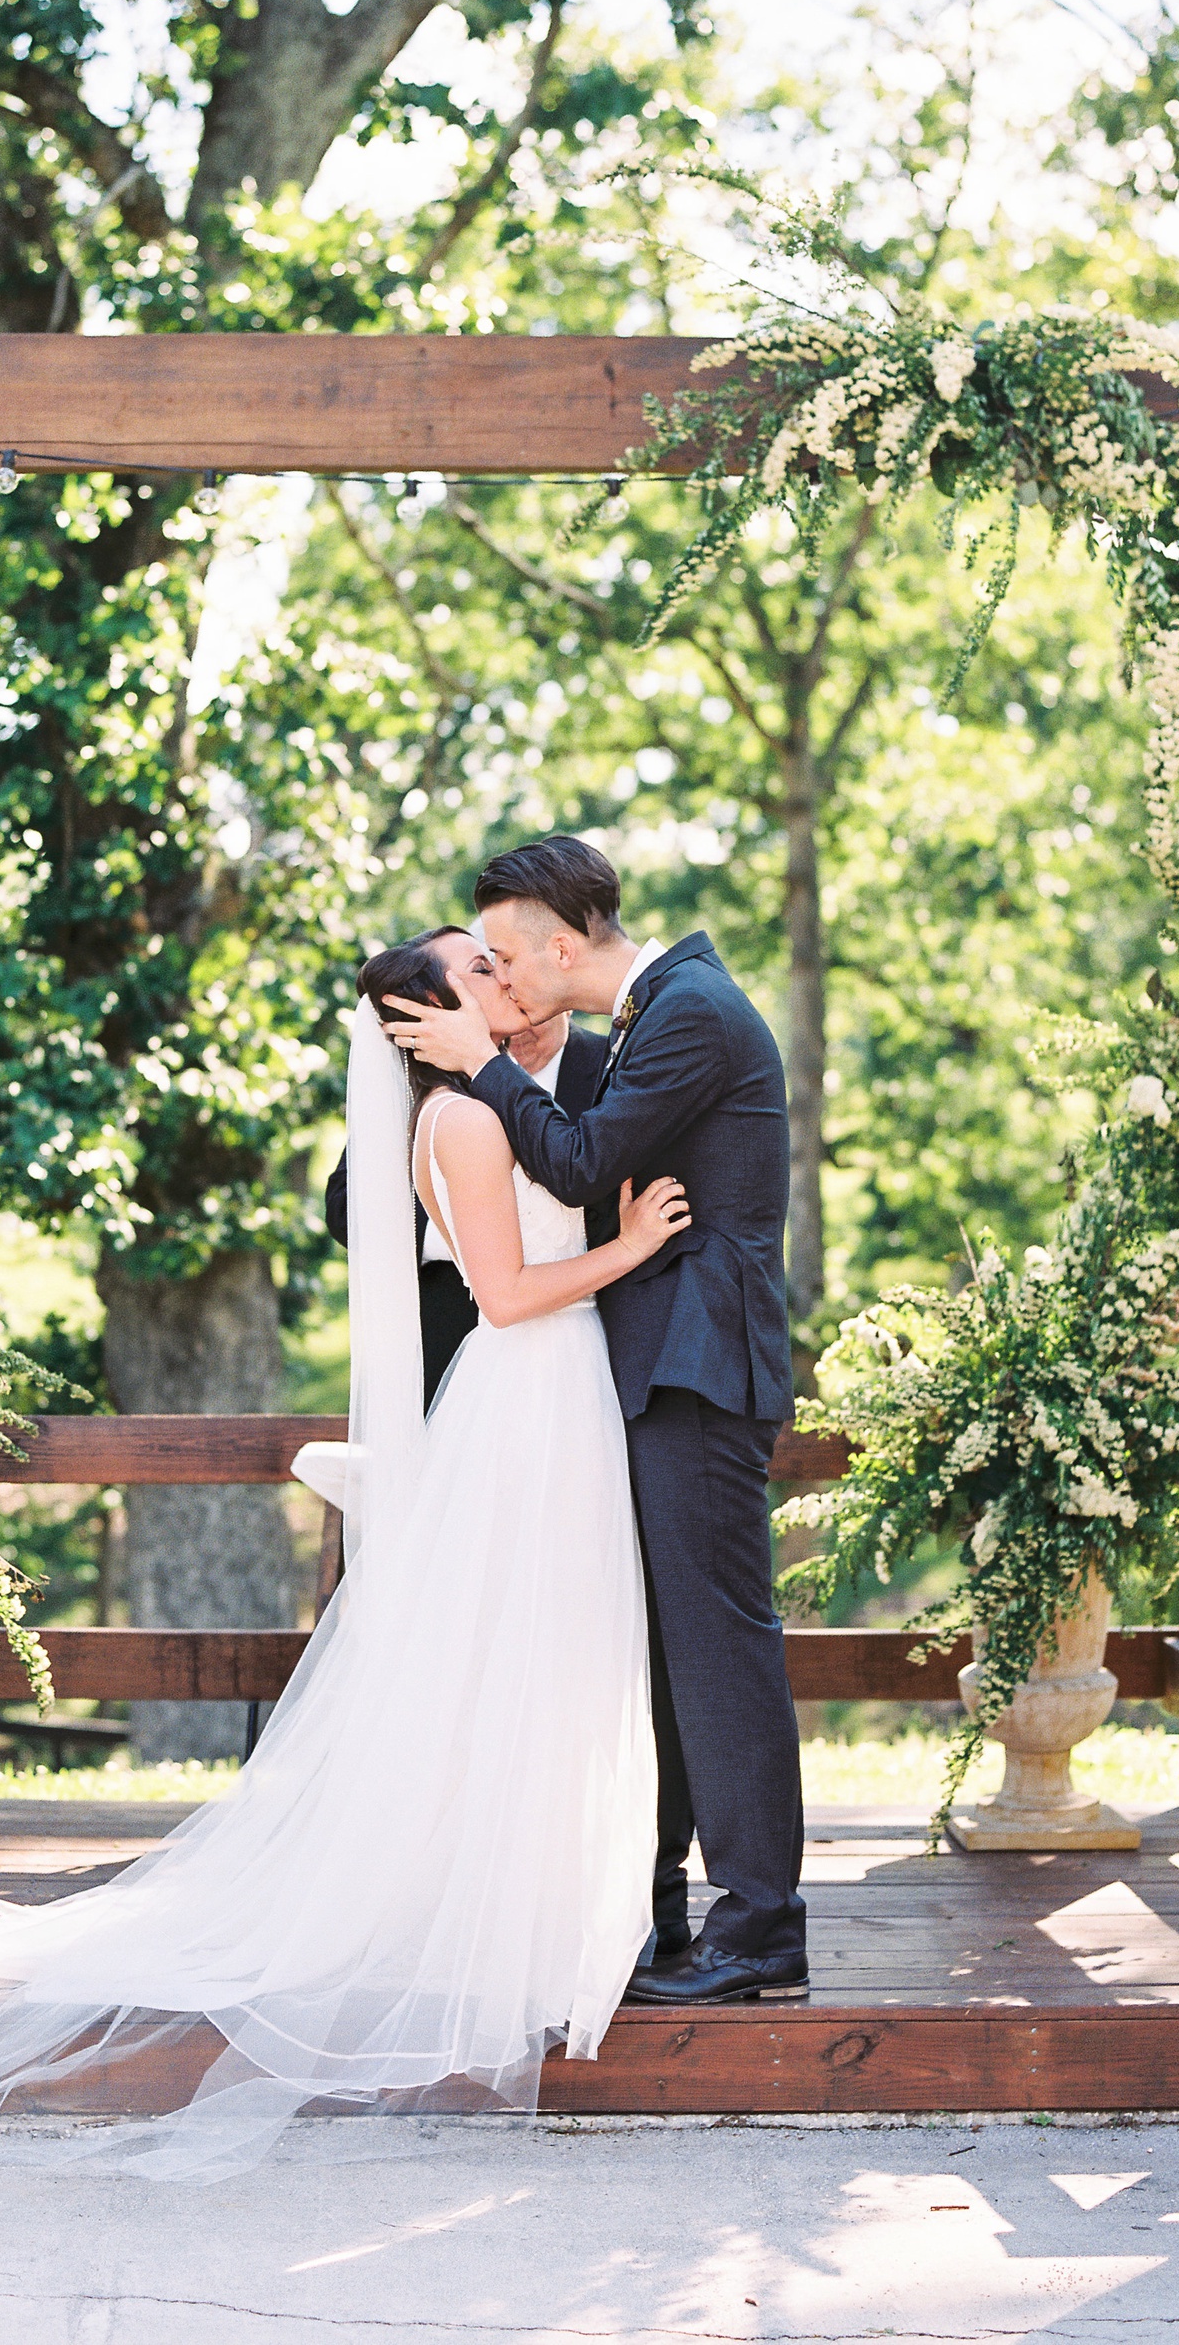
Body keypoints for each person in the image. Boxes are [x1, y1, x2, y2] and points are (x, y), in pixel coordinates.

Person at [0, 933, 685, 2183]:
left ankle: (554, 1912)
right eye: (479, 968)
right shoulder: (461, 1118)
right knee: (512, 1653)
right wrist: (630, 1248)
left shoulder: (499, 1100)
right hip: (527, 1390)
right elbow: (506, 1295)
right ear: (426, 1018)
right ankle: (496, 1924)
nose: (506, 972)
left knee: (547, 1655)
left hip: (559, 1399)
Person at [386, 836, 808, 2009]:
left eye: (510, 958)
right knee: (667, 1648)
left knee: (720, 1648)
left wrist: (479, 1061)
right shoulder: (661, 1010)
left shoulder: (689, 1011)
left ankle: (763, 1922)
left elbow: (576, 1164)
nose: (502, 981)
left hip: (698, 1366)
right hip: (647, 1365)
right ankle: (657, 1897)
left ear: (564, 946)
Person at [324, 925, 606, 1406]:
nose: (507, 980)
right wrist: (474, 1228)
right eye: (488, 967)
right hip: (465, 1335)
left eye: (509, 965)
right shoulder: (443, 1108)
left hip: (591, 1349)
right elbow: (346, 1205)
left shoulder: (610, 1067)